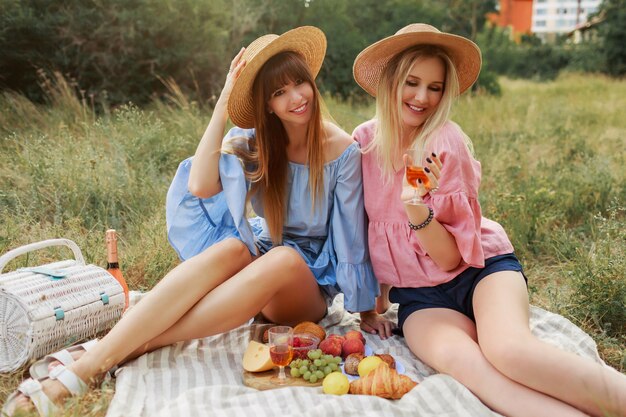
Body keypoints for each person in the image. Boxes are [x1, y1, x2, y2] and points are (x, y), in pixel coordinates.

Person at [3, 26, 390, 416]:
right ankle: (106, 356)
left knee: (283, 258)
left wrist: (366, 308)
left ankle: (103, 358)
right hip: (260, 263)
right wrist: (224, 101)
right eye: (278, 92)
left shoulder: (342, 150)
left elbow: (350, 233)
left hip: (302, 286)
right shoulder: (255, 140)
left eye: (299, 83)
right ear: (266, 104)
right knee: (237, 245)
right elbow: (201, 184)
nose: (296, 98)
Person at [352, 23, 626, 417]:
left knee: (509, 351)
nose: (421, 97)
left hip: (480, 271)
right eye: (412, 82)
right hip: (421, 297)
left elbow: (449, 259)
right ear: (391, 80)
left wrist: (414, 205)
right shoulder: (363, 142)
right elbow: (364, 226)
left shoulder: (441, 144)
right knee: (472, 368)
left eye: (435, 87)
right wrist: (370, 306)